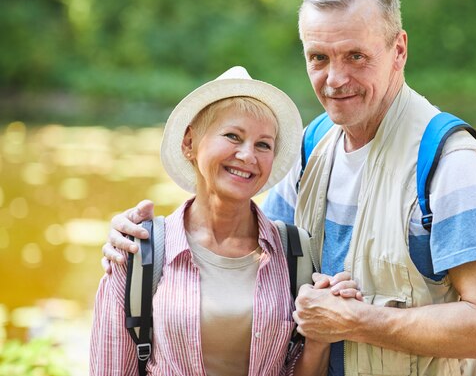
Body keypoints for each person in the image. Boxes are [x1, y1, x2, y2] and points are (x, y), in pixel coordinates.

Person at [103, 0, 476, 376]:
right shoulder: (310, 146)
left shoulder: (452, 165)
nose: (335, 79)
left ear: (399, 51)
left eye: (356, 56)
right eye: (319, 58)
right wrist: (144, 244)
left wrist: (356, 321)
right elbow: (253, 249)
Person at [90, 66, 360, 376]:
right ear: (189, 142)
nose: (248, 156)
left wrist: (320, 336)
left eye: (263, 145)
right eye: (233, 136)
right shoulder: (138, 253)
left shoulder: (295, 253)